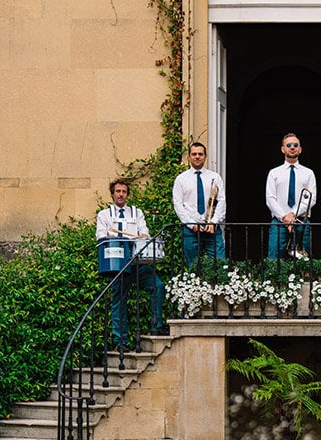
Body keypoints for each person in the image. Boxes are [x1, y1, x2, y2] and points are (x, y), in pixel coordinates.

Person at [96, 179, 164, 348]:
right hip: (118, 264)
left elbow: (144, 230)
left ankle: (156, 326)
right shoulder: (104, 215)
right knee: (119, 300)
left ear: (127, 194)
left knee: (158, 286)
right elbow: (99, 236)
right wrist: (108, 237)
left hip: (137, 261)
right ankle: (120, 341)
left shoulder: (136, 212)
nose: (121, 194)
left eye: (124, 192)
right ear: (112, 194)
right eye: (118, 191)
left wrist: (143, 235)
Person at [172, 141, 226, 268]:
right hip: (191, 231)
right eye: (194, 154)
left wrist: (214, 222)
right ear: (189, 157)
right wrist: (191, 224)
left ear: (205, 156)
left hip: (212, 228)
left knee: (220, 265)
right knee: (193, 267)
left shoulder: (215, 177)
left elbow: (221, 201)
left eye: (200, 154)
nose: (197, 157)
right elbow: (178, 205)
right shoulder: (181, 179)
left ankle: (219, 288)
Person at [265, 132, 317, 259]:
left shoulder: (308, 173)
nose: (292, 147)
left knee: (303, 260)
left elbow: (311, 198)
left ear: (300, 149)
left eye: (295, 145)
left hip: (301, 221)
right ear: (283, 149)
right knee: (274, 259)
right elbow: (270, 199)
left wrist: (293, 214)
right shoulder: (274, 173)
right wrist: (285, 217)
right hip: (279, 222)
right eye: (288, 145)